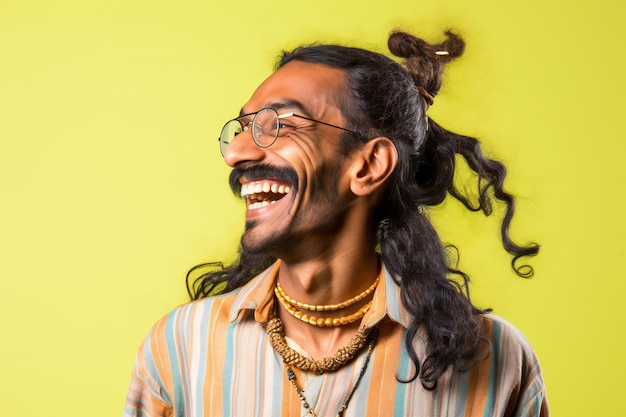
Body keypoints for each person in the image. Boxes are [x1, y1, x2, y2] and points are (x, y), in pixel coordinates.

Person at [124, 29, 548, 417]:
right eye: (243, 128)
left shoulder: (499, 360)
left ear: (368, 164)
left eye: (281, 124)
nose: (235, 153)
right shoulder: (180, 347)